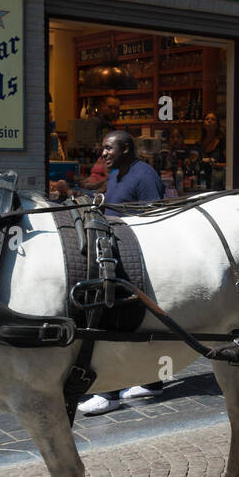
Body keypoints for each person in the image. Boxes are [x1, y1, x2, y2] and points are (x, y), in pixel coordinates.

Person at [77, 130, 168, 416]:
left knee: (114, 321)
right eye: (103, 148)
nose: (103, 153)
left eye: (108, 148)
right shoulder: (116, 174)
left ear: (126, 149)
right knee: (138, 325)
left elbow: (153, 215)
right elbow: (112, 203)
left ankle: (109, 392)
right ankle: (152, 383)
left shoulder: (145, 176)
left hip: (136, 258)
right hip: (116, 252)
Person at [80, 96, 124, 193]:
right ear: (102, 106)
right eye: (110, 107)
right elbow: (86, 147)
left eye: (116, 109)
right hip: (89, 169)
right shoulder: (94, 123)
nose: (113, 111)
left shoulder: (111, 127)